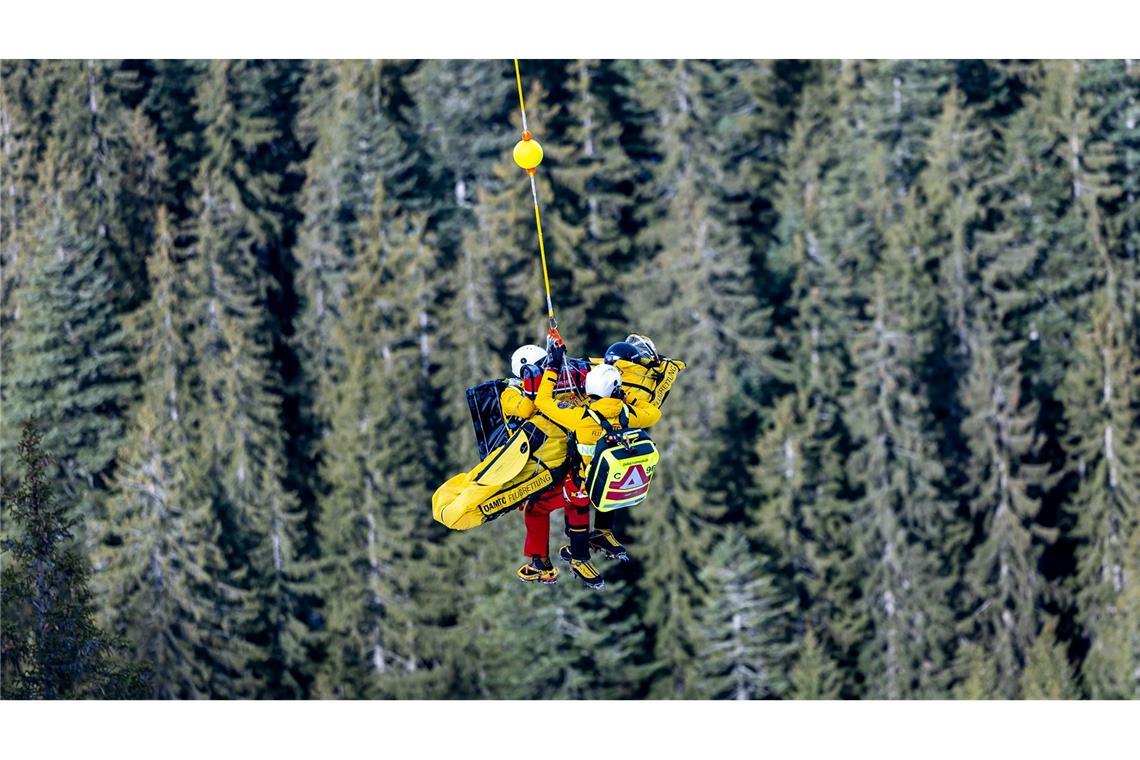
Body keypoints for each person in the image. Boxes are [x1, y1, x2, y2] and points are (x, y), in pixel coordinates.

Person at [533, 337, 662, 589]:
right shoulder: (627, 414)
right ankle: (603, 531)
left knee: (579, 505)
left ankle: (579, 556)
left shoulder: (580, 417)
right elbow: (654, 413)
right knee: (608, 488)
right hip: (608, 481)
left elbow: (543, 402)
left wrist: (552, 369)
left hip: (582, 481)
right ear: (616, 388)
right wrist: (627, 398)